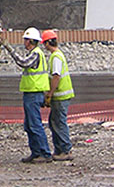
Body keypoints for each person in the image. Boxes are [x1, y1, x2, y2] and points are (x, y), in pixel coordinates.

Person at [0, 26, 52, 163]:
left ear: (30, 41)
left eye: (25, 40)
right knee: (29, 125)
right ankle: (36, 152)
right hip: (31, 93)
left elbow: (23, 63)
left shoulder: (36, 54)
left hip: (34, 94)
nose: (24, 42)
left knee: (35, 124)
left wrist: (8, 48)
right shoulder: (35, 53)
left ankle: (44, 153)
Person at [42, 29, 74, 161]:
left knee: (59, 122)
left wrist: (50, 93)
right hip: (62, 95)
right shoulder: (58, 55)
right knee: (54, 121)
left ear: (47, 43)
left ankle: (65, 150)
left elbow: (56, 76)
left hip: (60, 96)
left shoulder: (56, 57)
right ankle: (60, 149)